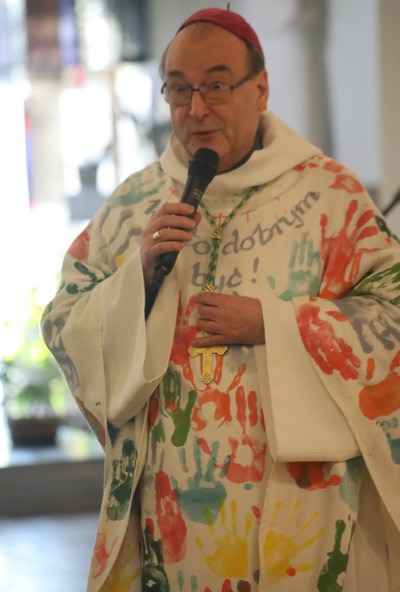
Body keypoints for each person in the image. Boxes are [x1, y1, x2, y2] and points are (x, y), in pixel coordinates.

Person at [41, 7, 400, 592]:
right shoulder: (134, 206)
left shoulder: (332, 197)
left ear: (260, 88)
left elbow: (392, 317)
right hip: (173, 515)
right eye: (178, 89)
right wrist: (138, 277)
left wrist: (275, 324)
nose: (196, 108)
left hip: (304, 507)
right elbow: (63, 322)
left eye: (215, 85)